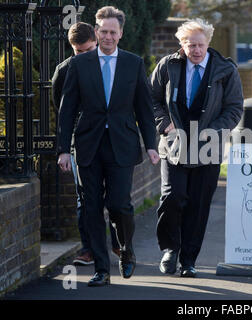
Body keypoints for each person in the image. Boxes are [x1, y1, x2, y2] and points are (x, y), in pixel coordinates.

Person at [57, 6, 160, 287]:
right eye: (103, 31)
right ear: (96, 31)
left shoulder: (133, 63)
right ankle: (101, 269)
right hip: (88, 145)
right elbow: (67, 111)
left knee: (119, 204)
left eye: (113, 32)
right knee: (91, 206)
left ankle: (126, 251)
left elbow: (144, 109)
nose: (108, 36)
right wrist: (64, 149)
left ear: (121, 33)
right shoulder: (79, 65)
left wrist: (151, 145)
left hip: (122, 145)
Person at [150, 18, 243, 278]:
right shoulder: (168, 65)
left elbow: (234, 108)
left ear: (208, 43)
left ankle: (189, 261)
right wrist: (164, 123)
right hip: (174, 145)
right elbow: (152, 99)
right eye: (191, 45)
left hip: (208, 148)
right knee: (172, 197)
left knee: (198, 206)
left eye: (200, 45)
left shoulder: (225, 70)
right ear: (182, 44)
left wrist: (213, 131)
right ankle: (170, 248)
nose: (196, 51)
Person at [51, 22, 121, 267]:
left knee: (116, 196)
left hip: (110, 139)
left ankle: (117, 242)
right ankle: (89, 248)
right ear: (72, 49)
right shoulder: (65, 70)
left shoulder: (109, 64)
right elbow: (62, 111)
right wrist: (65, 148)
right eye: (79, 52)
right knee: (86, 199)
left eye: (90, 49)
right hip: (80, 142)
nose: (85, 55)